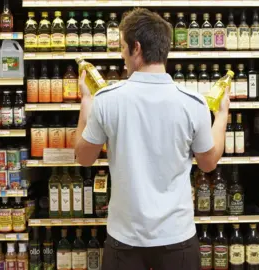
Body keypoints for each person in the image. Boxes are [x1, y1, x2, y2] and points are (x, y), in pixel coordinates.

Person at [74, 8, 229, 270]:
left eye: (122, 47)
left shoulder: (107, 100)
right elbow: (208, 163)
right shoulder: (193, 103)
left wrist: (86, 102)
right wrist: (222, 114)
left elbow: (84, 157)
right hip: (177, 238)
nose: (122, 55)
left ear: (136, 48)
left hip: (124, 241)